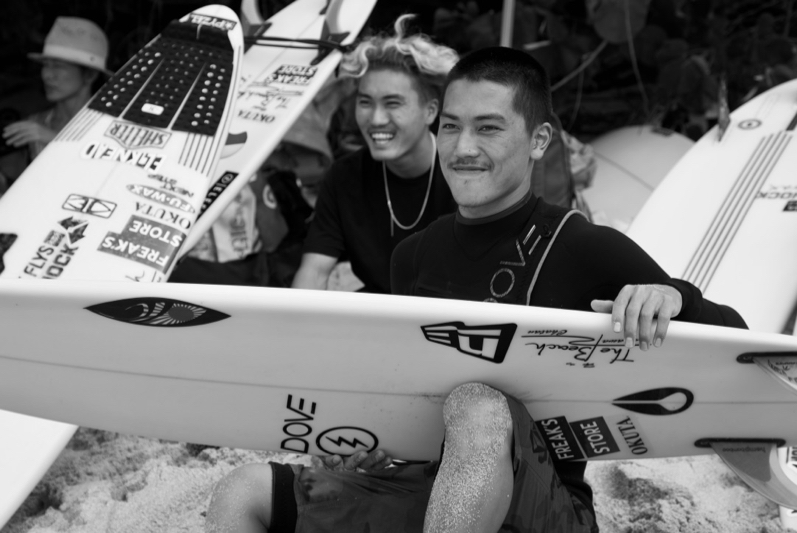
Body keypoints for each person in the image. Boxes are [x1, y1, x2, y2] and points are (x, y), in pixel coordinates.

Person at [205, 47, 746, 533]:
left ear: (539, 140)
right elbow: (410, 401)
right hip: (436, 494)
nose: (463, 148)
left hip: (546, 509)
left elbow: (738, 341)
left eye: (488, 128)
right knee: (244, 491)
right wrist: (372, 449)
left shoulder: (583, 245)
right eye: (451, 127)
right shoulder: (413, 257)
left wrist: (672, 297)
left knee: (478, 402)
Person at [291, 15, 459, 293]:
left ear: (430, 111)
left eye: (393, 103)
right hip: (376, 313)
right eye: (365, 102)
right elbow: (315, 271)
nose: (376, 119)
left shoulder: (465, 174)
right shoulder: (345, 177)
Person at [2, 17, 112, 166]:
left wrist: (55, 140)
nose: (47, 75)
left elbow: (109, 169)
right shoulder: (36, 123)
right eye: (46, 65)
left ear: (90, 75)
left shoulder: (109, 126)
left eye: (58, 66)